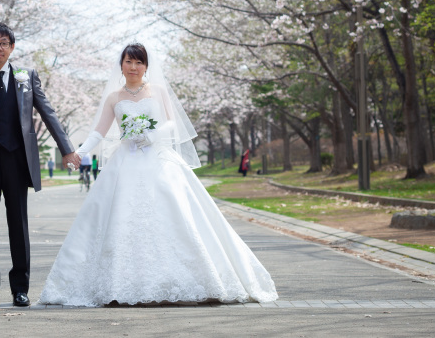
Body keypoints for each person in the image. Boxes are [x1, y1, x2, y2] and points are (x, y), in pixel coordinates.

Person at [39, 43, 278, 307]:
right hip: (126, 162)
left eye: (138, 62)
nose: (133, 67)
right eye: (129, 62)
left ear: (146, 66)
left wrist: (152, 135)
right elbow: (99, 131)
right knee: (120, 217)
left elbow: (172, 122)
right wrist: (78, 153)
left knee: (175, 210)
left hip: (159, 159)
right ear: (121, 65)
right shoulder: (114, 98)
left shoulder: (158, 91)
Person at [0, 22, 80, 308]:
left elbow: (48, 112)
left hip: (17, 161)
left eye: (4, 43)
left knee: (19, 224)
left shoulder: (26, 76)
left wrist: (66, 149)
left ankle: (20, 289)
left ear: (12, 47)